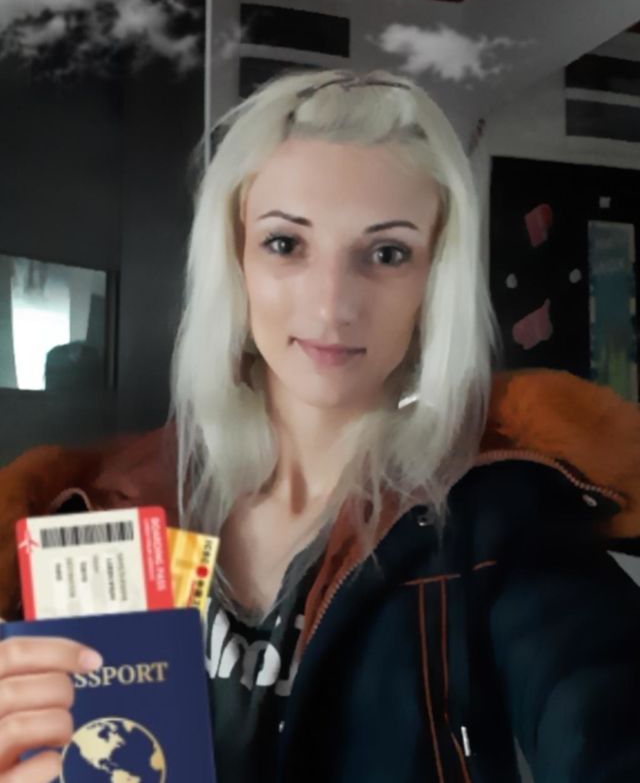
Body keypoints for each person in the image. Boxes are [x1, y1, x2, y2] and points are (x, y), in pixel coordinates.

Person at [0, 67, 639, 783]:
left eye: (387, 253)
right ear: (235, 260)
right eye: (285, 243)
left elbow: (603, 712)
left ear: (433, 281)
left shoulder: (498, 517)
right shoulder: (105, 509)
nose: (332, 305)